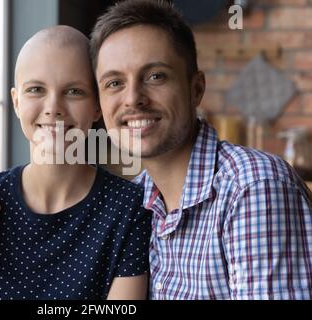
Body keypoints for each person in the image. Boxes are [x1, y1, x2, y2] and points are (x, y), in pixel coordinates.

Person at [90, 0, 312, 299]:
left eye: (156, 76)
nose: (133, 99)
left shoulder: (254, 187)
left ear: (196, 89)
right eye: (115, 82)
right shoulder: (136, 199)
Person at [0, 25, 151, 300]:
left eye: (73, 91)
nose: (53, 107)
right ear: (16, 102)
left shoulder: (130, 208)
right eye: (36, 89)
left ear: (97, 106)